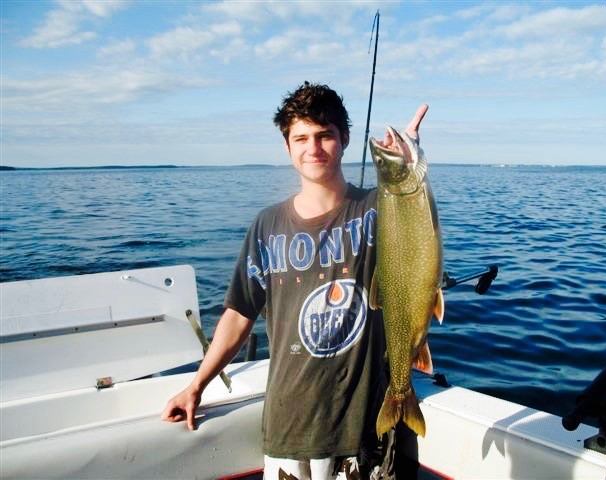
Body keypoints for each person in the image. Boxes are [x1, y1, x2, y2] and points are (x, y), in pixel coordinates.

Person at [162, 82, 428, 480]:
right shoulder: (268, 225)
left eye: (325, 136)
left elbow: (416, 226)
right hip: (290, 426)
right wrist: (197, 384)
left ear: (345, 139)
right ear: (287, 147)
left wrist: (410, 159)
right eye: (300, 138)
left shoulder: (378, 209)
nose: (313, 148)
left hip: (364, 428)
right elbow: (238, 314)